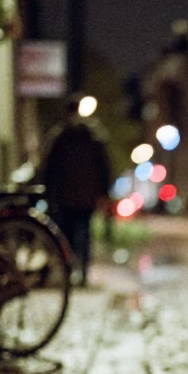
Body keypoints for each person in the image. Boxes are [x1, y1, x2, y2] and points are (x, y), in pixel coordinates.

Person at [39, 94, 114, 285]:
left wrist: (49, 193)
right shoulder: (93, 134)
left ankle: (70, 269)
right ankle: (82, 271)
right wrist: (104, 192)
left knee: (69, 234)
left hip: (65, 196)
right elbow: (104, 166)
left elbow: (49, 168)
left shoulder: (60, 135)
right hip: (86, 196)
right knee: (84, 233)